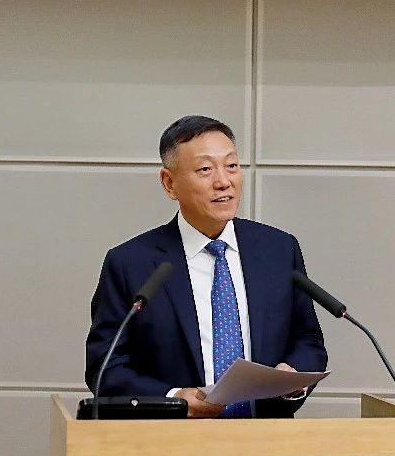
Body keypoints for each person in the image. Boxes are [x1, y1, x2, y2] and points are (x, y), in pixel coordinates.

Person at [84, 115, 328, 418]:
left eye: (232, 165)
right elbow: (105, 368)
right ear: (169, 183)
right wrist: (173, 399)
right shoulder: (130, 263)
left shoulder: (279, 249)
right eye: (205, 169)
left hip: (266, 436)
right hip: (173, 439)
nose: (223, 181)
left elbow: (308, 340)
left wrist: (292, 373)